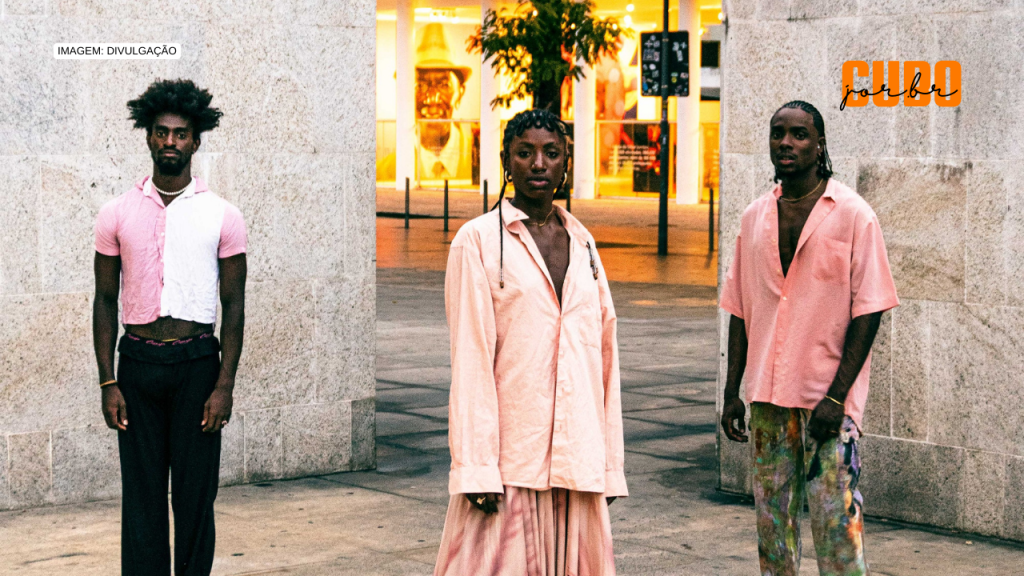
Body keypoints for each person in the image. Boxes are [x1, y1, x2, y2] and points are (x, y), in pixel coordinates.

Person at [435, 109, 627, 576]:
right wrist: (477, 467)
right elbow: (472, 357)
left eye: (551, 153)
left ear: (566, 164)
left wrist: (607, 465)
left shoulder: (584, 243)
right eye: (525, 153)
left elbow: (604, 356)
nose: (539, 164)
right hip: (510, 462)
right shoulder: (477, 241)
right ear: (506, 161)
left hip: (575, 459)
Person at [719, 100, 899, 576]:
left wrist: (837, 398)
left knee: (837, 533)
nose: (786, 143)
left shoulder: (853, 214)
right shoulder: (754, 217)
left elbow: (870, 308)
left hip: (827, 405)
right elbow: (739, 308)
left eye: (799, 134)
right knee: (773, 534)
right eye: (778, 133)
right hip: (767, 398)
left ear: (819, 145)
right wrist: (732, 392)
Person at [92, 79, 247, 576]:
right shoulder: (116, 212)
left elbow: (234, 305)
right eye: (161, 132)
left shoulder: (222, 215)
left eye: (181, 134)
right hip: (137, 365)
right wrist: (108, 381)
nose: (170, 142)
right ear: (148, 137)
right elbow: (104, 300)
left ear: (196, 141)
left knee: (196, 496)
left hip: (197, 364)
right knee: (141, 498)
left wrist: (224, 385)